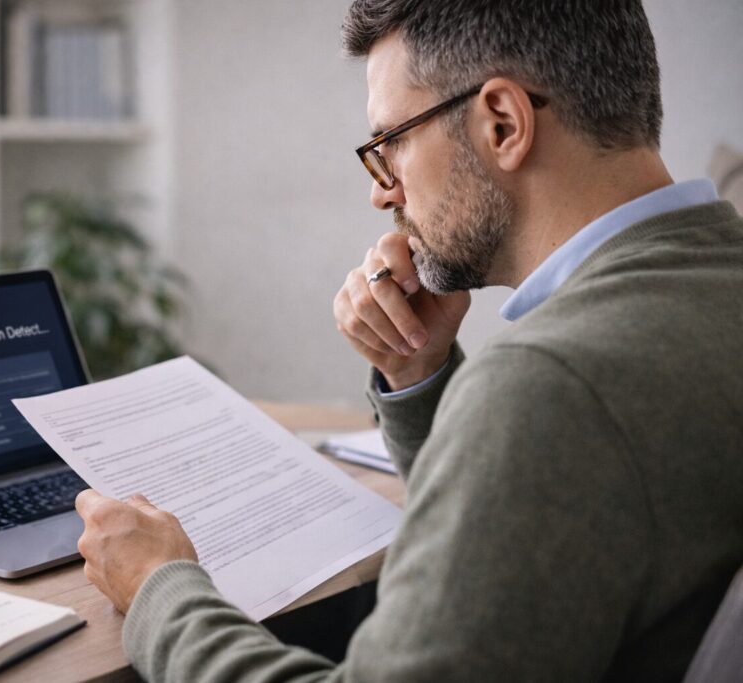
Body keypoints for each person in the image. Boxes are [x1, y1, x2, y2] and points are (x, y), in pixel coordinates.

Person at [74, 0, 743, 679]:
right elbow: (528, 553)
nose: (382, 191)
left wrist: (162, 588)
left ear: (503, 124)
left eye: (390, 140)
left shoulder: (553, 384)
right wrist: (420, 376)